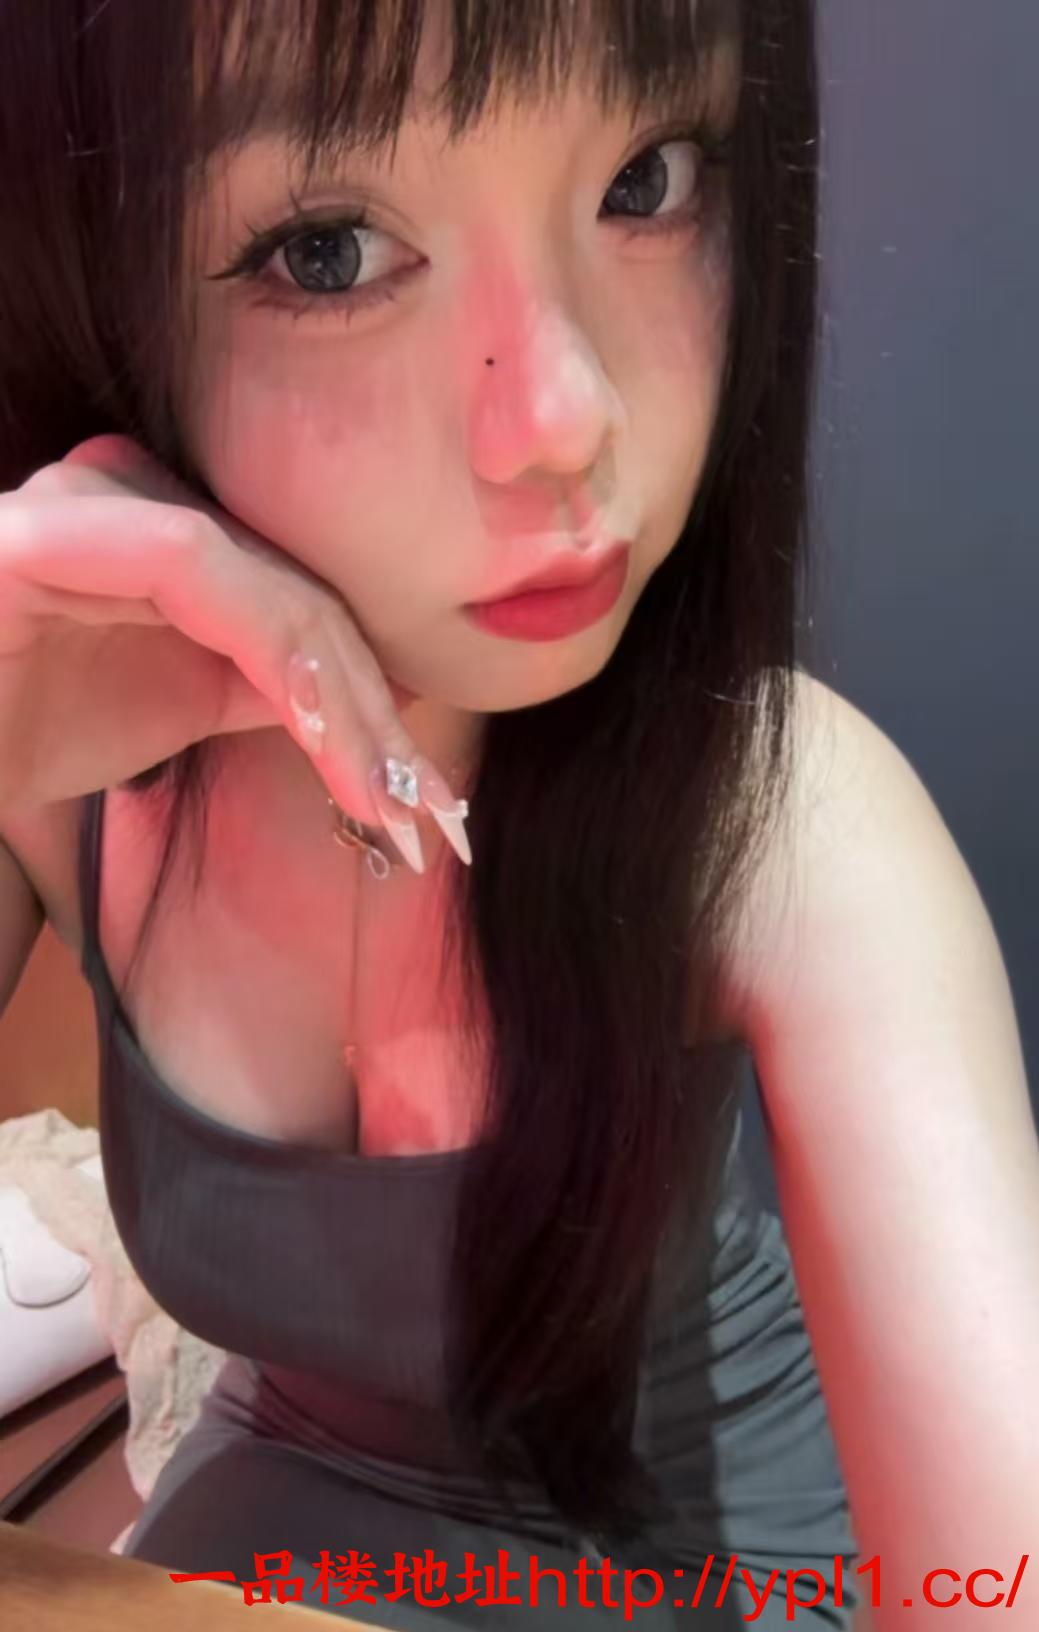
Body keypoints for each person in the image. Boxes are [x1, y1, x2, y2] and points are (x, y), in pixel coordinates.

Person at [1, 2, 1036, 1627]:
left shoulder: (786, 821)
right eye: (329, 251)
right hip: (287, 1518)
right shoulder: (59, 763)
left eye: (647, 180)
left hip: (709, 1557)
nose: (565, 417)